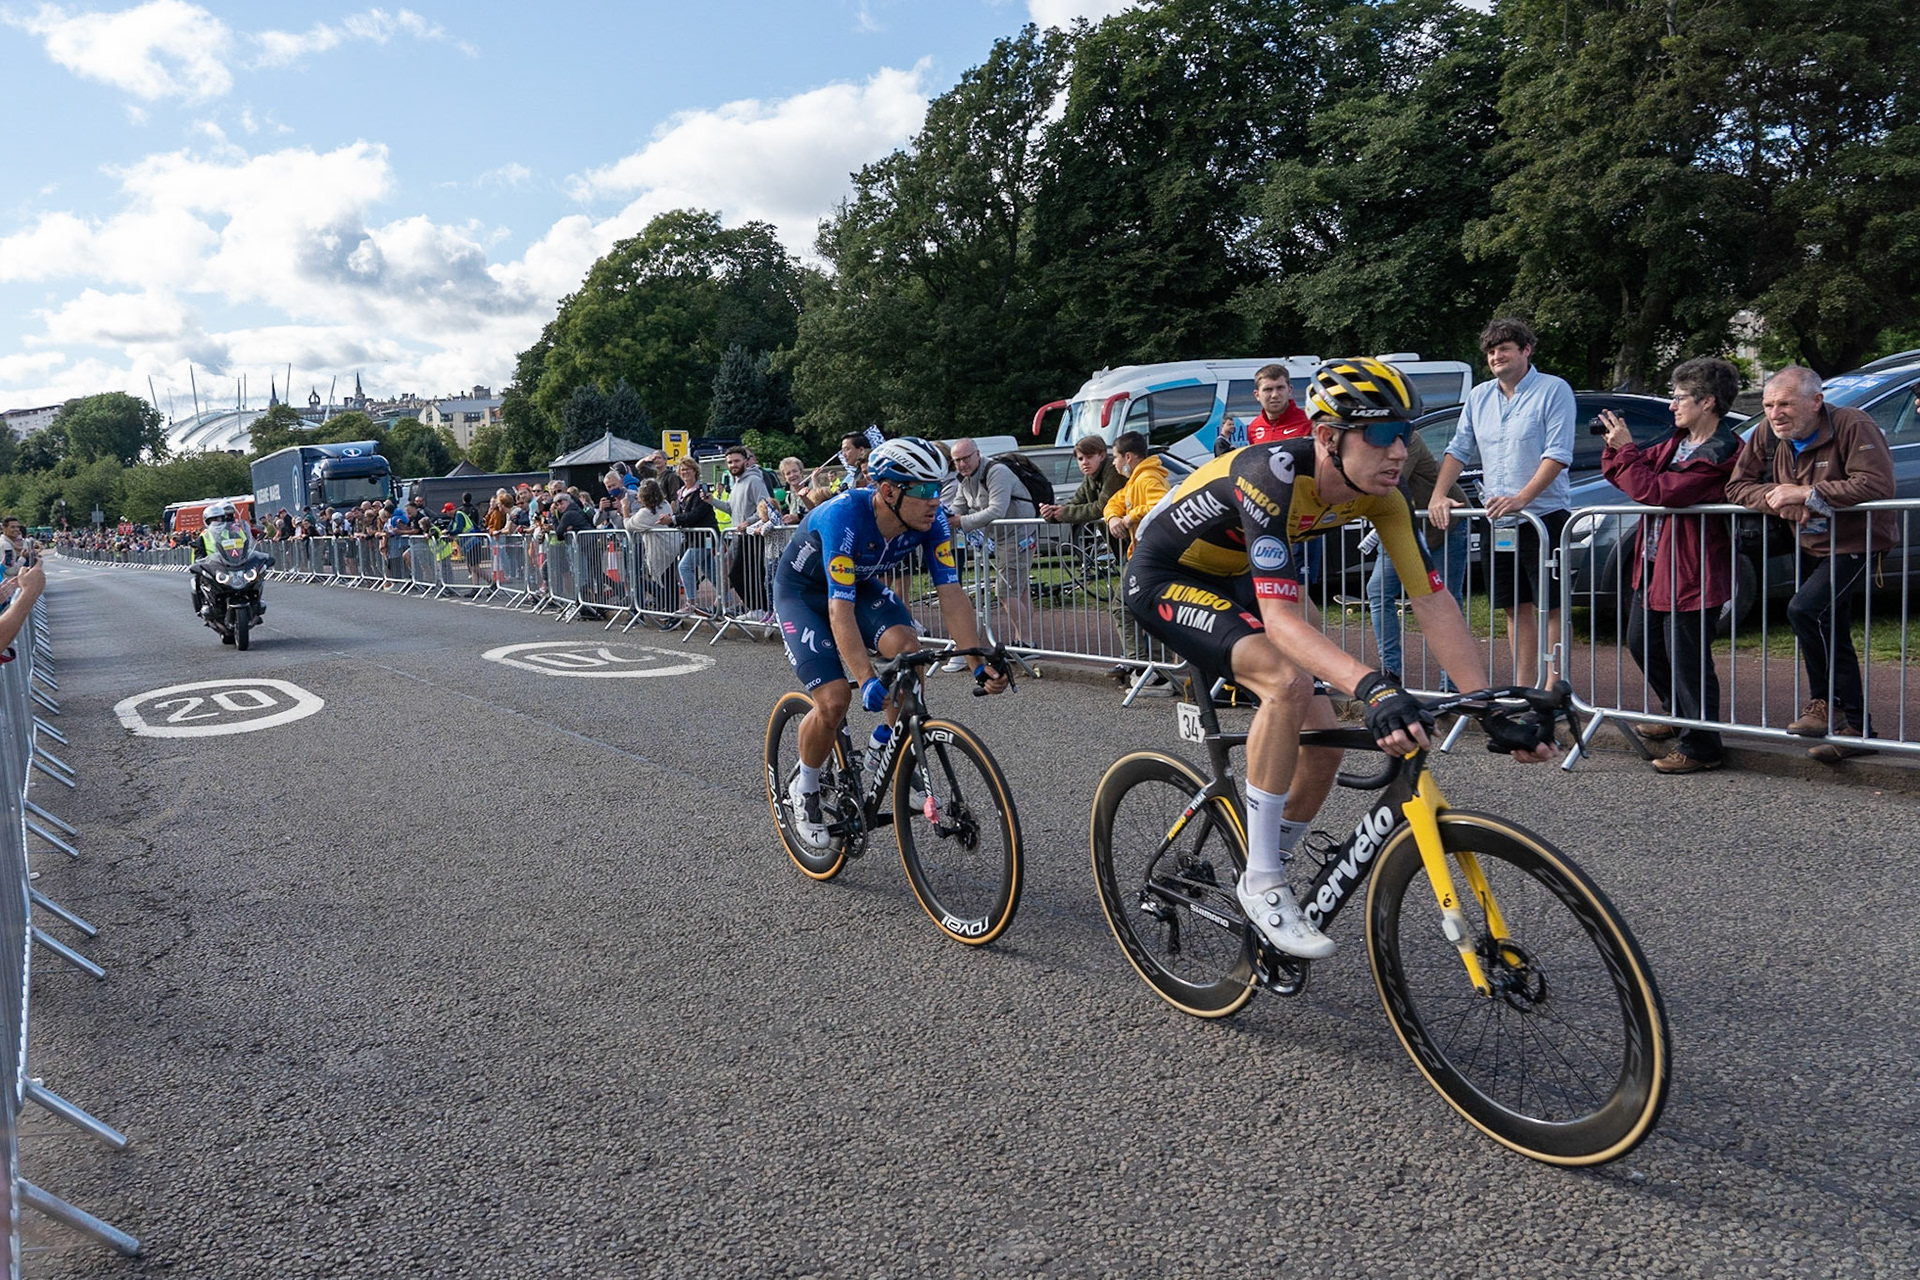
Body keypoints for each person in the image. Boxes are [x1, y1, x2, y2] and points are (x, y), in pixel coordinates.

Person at [1124, 358, 1555, 959]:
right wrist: (1372, 686)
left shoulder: (1384, 495)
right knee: (1286, 684)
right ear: (1328, 438)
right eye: (1380, 435)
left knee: (1322, 746)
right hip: (1167, 576)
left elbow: (1432, 601)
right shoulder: (1269, 472)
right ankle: (1262, 880)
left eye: (1407, 433)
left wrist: (1485, 706)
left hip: (1241, 576)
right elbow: (1282, 622)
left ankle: (1267, 854)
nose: (1400, 450)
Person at [771, 437, 1008, 847]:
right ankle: (805, 786)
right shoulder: (844, 517)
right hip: (803, 595)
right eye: (925, 491)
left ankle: (886, 744)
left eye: (940, 487)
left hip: (858, 587)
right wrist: (865, 678)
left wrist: (976, 661)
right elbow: (838, 611)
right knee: (833, 701)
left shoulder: (933, 523)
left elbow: (951, 594)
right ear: (889, 491)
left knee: (907, 648)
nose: (937, 501)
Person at [1726, 365, 1897, 762]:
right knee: (1829, 627)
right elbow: (1736, 486)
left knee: (1805, 610)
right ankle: (1853, 726)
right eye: (1769, 404)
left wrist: (1806, 495)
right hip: (1807, 541)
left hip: (1857, 541)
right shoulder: (1768, 434)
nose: (1774, 413)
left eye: (1785, 403)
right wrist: (1776, 496)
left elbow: (1876, 483)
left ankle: (1826, 703)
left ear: (1816, 401)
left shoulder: (1853, 423)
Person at [1599, 357, 1744, 773]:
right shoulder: (1676, 441)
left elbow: (1658, 490)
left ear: (1708, 402)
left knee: (1688, 658)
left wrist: (1627, 451)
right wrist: (1618, 448)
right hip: (1655, 565)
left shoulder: (1722, 450)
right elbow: (1630, 476)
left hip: (1694, 569)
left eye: (1679, 397)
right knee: (1642, 642)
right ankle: (1677, 714)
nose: (1672, 405)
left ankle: (1702, 746)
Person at [1429, 317, 1577, 687]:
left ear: (1526, 351)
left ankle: (1553, 688)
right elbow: (1458, 448)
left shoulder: (1553, 389)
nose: (1496, 356)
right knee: (1513, 606)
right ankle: (1524, 688)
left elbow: (1557, 454)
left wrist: (1522, 499)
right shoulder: (1479, 396)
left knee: (1552, 607)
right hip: (1499, 521)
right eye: (1491, 351)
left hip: (1544, 516)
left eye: (1505, 349)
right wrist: (1438, 494)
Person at [1366, 428, 1472, 690]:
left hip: (1447, 525)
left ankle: (1452, 683)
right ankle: (1391, 672)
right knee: (1378, 590)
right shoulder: (1364, 440)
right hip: (1403, 527)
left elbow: (1391, 483)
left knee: (1446, 598)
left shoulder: (1405, 438)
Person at [948, 436, 1040, 654]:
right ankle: (1023, 640)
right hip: (1002, 537)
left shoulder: (996, 472)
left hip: (1017, 535)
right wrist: (945, 517)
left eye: (966, 458)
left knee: (1006, 591)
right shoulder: (966, 479)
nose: (962, 464)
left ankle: (1026, 643)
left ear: (977, 454)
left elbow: (997, 510)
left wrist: (962, 522)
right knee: (1019, 589)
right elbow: (957, 507)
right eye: (957, 460)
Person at [1102, 432, 1171, 681]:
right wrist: (1112, 518)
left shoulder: (1148, 477)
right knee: (1133, 607)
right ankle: (1143, 663)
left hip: (1151, 555)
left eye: (1116, 457)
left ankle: (1141, 665)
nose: (1114, 463)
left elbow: (1162, 503)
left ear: (1128, 457)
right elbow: (1112, 502)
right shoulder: (1135, 480)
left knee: (1123, 607)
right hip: (1142, 554)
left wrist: (1130, 517)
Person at [715, 445, 774, 618]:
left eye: (736, 461)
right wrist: (711, 501)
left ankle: (759, 609)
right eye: (730, 462)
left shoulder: (754, 480)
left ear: (746, 462)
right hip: (739, 535)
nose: (733, 465)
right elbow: (730, 509)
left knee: (743, 573)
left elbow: (765, 507)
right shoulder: (736, 483)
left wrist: (748, 522)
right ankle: (757, 609)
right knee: (742, 573)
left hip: (752, 534)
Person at [672, 458, 723, 615]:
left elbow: (696, 514)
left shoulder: (701, 490)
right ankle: (726, 601)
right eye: (682, 470)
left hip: (705, 536)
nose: (685, 472)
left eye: (688, 469)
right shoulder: (681, 492)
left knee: (685, 566)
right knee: (710, 571)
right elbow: (685, 514)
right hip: (694, 537)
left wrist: (674, 519)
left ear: (695, 471)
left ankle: (691, 603)